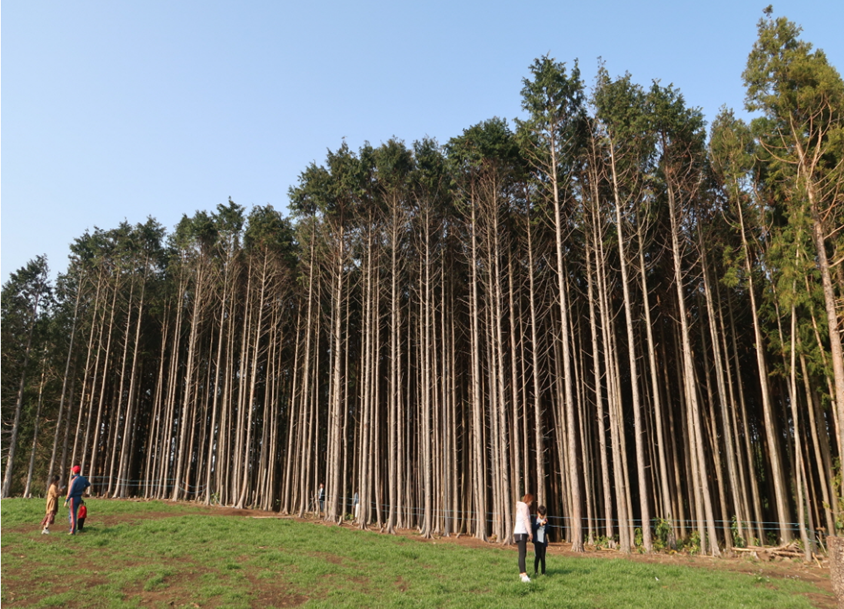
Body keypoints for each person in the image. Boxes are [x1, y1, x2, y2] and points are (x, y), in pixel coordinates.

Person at [64, 465, 90, 535]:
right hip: (79, 497)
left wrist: (66, 500)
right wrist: (82, 489)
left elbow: (71, 491)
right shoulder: (82, 478)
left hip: (73, 498)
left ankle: (72, 530)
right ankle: (72, 529)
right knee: (72, 514)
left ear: (74, 472)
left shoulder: (74, 480)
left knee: (72, 514)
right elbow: (88, 484)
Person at [513, 493, 534, 582]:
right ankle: (524, 574)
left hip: (519, 532)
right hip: (521, 532)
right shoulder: (524, 507)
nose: (531, 503)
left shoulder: (520, 507)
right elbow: (526, 520)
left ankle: (522, 573)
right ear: (528, 500)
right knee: (522, 554)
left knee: (523, 553)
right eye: (531, 501)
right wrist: (530, 532)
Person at [532, 505, 549, 576]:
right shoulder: (535, 520)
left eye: (543, 515)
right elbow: (533, 528)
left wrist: (546, 525)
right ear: (538, 513)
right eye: (541, 515)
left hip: (543, 542)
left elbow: (548, 530)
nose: (542, 517)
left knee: (543, 558)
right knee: (537, 557)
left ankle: (543, 572)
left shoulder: (546, 520)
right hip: (537, 541)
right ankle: (536, 571)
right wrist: (539, 524)